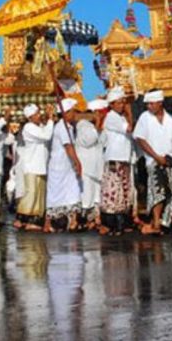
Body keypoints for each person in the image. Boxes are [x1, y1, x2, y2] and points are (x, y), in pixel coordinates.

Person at [134, 90, 172, 235]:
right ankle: (156, 221)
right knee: (157, 191)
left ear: (160, 103)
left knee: (171, 191)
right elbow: (140, 139)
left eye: (151, 103)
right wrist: (156, 156)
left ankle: (165, 221)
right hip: (154, 160)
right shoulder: (145, 117)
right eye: (147, 104)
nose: (149, 106)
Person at [45, 98, 83, 233]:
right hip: (59, 166)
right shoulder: (62, 127)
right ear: (66, 112)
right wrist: (77, 162)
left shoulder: (69, 127)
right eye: (73, 112)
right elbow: (68, 147)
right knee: (55, 194)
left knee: (73, 190)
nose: (75, 115)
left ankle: (73, 220)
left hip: (67, 166)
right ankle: (48, 222)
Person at [100, 86, 134, 236]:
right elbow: (129, 129)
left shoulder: (119, 117)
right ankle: (115, 224)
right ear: (112, 104)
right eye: (119, 103)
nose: (122, 105)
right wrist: (130, 113)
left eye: (123, 102)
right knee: (115, 190)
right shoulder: (112, 117)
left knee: (123, 190)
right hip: (115, 158)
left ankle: (122, 222)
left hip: (123, 157)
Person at [16, 103, 54, 231]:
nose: (39, 115)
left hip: (41, 165)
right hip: (32, 166)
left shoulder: (39, 127)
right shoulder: (28, 127)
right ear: (30, 116)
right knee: (31, 193)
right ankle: (21, 218)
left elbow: (45, 132)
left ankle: (35, 220)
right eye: (37, 114)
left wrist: (47, 119)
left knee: (39, 195)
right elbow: (46, 136)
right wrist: (50, 120)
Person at [75, 99, 107, 230]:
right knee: (87, 193)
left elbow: (103, 142)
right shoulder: (82, 124)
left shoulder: (99, 126)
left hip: (97, 165)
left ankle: (96, 218)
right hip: (87, 166)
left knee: (97, 193)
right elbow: (89, 140)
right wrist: (98, 124)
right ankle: (85, 219)